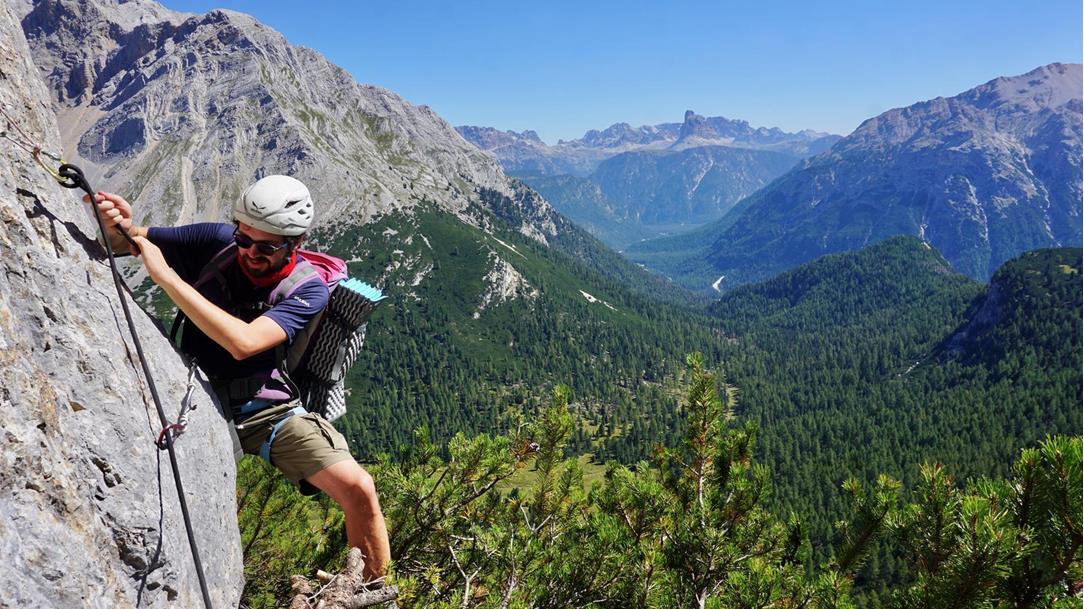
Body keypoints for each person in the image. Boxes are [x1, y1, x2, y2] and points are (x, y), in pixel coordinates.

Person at [90, 175, 391, 580]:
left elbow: (244, 343)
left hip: (264, 409)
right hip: (195, 391)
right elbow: (125, 242)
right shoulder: (216, 242)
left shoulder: (308, 290)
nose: (250, 252)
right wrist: (116, 223)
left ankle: (369, 590)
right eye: (244, 239)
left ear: (295, 242)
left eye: (266, 247)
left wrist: (167, 277)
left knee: (359, 489)